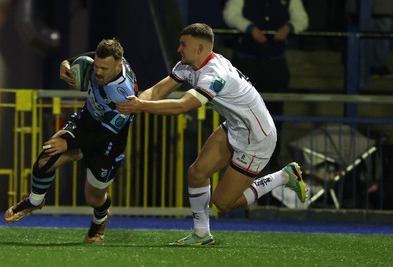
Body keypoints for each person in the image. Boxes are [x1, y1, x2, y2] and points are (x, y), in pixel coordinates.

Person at [116, 23, 307, 246]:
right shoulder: (188, 65)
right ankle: (201, 234)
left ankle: (284, 176)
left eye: (183, 44)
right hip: (236, 127)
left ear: (199, 48)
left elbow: (183, 106)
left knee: (223, 203)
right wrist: (133, 102)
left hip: (258, 138)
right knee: (197, 173)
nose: (178, 49)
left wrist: (140, 107)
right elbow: (158, 90)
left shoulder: (215, 74)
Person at [3, 38, 138, 243]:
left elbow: (105, 134)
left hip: (108, 144)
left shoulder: (124, 94)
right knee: (47, 155)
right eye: (97, 66)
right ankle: (35, 200)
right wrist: (66, 62)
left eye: (104, 68)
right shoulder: (107, 61)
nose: (98, 72)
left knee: (93, 197)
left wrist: (69, 144)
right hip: (85, 123)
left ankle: (101, 218)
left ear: (119, 67)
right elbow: (90, 57)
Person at [222, 0, 308, 171]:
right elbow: (231, 14)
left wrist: (289, 27)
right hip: (246, 64)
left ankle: (270, 161)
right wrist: (250, 28)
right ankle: (237, 161)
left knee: (274, 114)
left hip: (275, 65)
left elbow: (302, 19)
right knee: (241, 114)